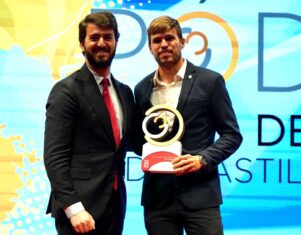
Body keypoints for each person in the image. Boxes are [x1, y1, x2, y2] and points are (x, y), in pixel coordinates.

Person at [134, 16, 243, 235]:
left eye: (169, 38)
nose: (163, 44)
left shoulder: (210, 81)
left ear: (182, 42)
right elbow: (140, 140)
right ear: (150, 47)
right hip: (157, 199)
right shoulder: (141, 89)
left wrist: (202, 159)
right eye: (157, 40)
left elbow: (232, 135)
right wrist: (148, 154)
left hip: (201, 195)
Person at [44, 11, 135, 235]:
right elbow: (54, 156)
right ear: (82, 45)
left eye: (108, 37)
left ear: (116, 41)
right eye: (94, 38)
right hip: (79, 210)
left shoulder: (125, 92)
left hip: (115, 205)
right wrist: (73, 208)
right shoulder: (66, 90)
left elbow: (134, 142)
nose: (101, 43)